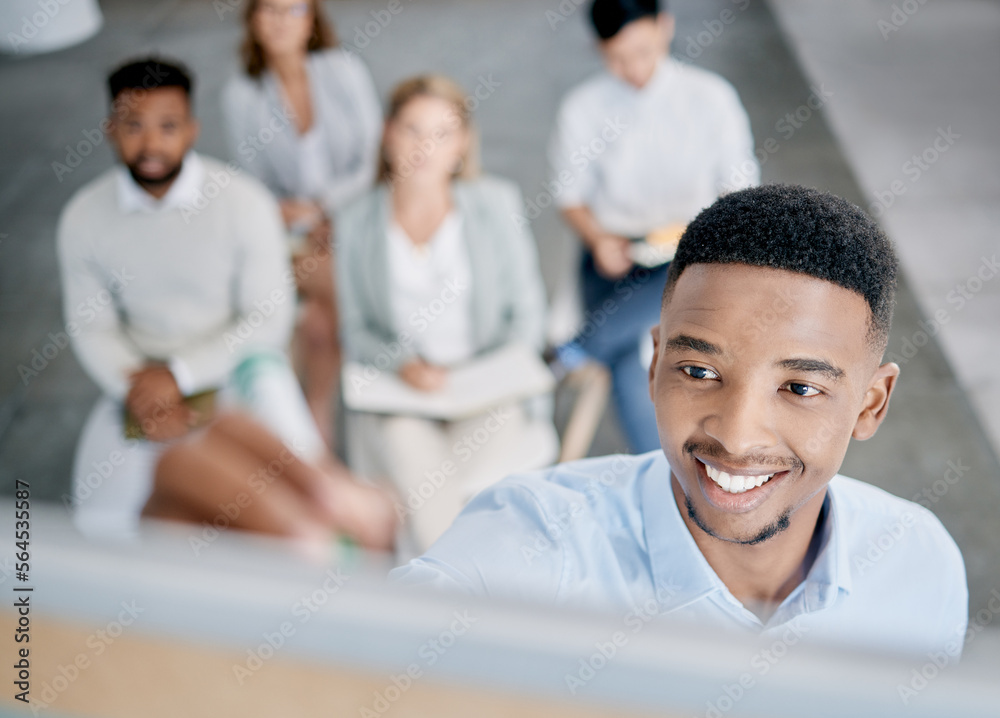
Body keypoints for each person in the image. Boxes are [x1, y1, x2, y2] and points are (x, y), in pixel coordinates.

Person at [392, 185, 969, 659]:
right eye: (698, 371)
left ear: (870, 404)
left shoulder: (918, 566)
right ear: (654, 365)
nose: (737, 438)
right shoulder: (536, 543)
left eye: (799, 388)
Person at [57, 57, 295, 537]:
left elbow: (268, 319)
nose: (150, 144)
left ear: (191, 129)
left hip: (238, 370)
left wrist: (178, 374)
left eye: (168, 126)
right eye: (133, 126)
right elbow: (92, 326)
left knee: (285, 503)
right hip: (135, 384)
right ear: (109, 129)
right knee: (101, 523)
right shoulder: (82, 216)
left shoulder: (244, 202)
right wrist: (142, 393)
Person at [336, 75, 556, 555]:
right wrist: (402, 364)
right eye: (413, 130)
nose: (425, 147)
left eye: (442, 133)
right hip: (404, 396)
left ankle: (430, 591)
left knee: (419, 490)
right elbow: (356, 329)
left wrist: (485, 374)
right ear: (388, 134)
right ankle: (460, 595)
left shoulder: (494, 205)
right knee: (411, 454)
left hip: (487, 393)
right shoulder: (355, 221)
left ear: (462, 145)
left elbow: (527, 314)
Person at [549, 0, 758, 453]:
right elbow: (570, 197)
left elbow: (739, 190)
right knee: (639, 345)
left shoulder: (710, 97)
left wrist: (701, 237)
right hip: (615, 257)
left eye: (643, 51)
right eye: (618, 58)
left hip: (695, 255)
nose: (634, 68)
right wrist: (599, 239)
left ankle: (579, 348)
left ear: (665, 27)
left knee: (643, 336)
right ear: (598, 48)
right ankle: (669, 469)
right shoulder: (583, 107)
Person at [222, 0, 383, 446]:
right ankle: (343, 395)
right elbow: (251, 183)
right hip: (289, 233)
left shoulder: (344, 70)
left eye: (292, 11)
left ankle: (311, 417)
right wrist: (292, 214)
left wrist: (327, 209)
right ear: (252, 19)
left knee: (315, 321)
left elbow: (373, 159)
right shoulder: (243, 94)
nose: (279, 22)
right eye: (268, 11)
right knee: (321, 283)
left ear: (311, 20)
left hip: (352, 215)